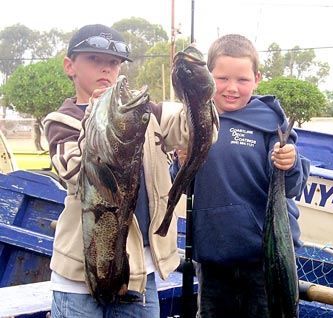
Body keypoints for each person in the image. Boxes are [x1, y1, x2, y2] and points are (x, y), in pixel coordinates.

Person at [43, 24, 218, 318]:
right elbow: (75, 173)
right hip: (79, 279)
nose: (105, 69)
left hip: (140, 276)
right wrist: (96, 116)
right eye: (94, 59)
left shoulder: (146, 111)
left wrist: (197, 90)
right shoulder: (62, 121)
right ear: (69, 66)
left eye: (113, 62)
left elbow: (202, 132)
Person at [170, 34, 310, 317]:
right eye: (222, 78)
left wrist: (289, 162)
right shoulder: (193, 121)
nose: (232, 88)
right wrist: (180, 164)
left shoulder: (271, 120)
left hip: (266, 261)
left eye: (242, 80)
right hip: (213, 259)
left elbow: (292, 186)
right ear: (209, 77)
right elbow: (184, 186)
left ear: (256, 79)